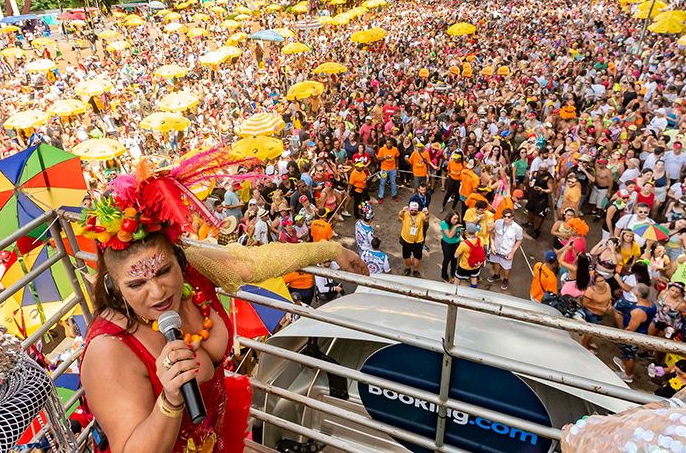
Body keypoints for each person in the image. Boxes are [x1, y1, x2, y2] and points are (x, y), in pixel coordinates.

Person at [80, 149, 366, 453]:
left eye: (164, 271)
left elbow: (254, 263)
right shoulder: (109, 351)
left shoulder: (194, 269)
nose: (157, 291)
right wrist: (171, 399)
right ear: (114, 285)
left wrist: (331, 250)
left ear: (180, 258)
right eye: (136, 284)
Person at [611, 283, 657, 383]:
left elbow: (631, 328)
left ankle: (628, 375)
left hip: (633, 336)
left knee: (629, 355)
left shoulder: (638, 311)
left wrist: (622, 335)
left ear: (637, 294)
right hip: (641, 332)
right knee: (626, 354)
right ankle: (624, 365)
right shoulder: (652, 304)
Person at [488, 208, 525, 290]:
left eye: (508, 217)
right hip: (497, 248)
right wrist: (492, 245)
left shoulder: (517, 228)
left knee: (506, 267)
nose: (506, 218)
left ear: (512, 217)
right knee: (496, 262)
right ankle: (496, 275)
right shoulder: (497, 222)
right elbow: (491, 233)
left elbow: (519, 240)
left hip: (507, 251)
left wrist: (512, 252)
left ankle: (505, 279)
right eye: (504, 216)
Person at [453, 223, 487, 288]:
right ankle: (473, 291)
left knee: (457, 278)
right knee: (474, 278)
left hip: (464, 266)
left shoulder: (463, 244)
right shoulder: (481, 240)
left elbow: (455, 256)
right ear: (475, 231)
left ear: (466, 232)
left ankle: (454, 291)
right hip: (476, 265)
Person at [398, 201, 426, 277]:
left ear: (418, 210)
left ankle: (415, 271)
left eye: (415, 210)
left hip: (418, 241)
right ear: (409, 209)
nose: (413, 211)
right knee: (406, 256)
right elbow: (400, 215)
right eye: (412, 210)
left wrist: (427, 213)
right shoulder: (406, 214)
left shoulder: (421, 214)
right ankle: (408, 268)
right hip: (406, 240)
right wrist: (403, 210)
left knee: (417, 257)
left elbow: (426, 218)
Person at [439, 212, 463, 282]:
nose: (456, 220)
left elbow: (458, 235)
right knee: (447, 260)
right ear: (449, 218)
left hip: (456, 244)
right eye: (454, 219)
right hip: (447, 244)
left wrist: (462, 240)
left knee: (455, 260)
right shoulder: (444, 223)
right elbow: (449, 235)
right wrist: (455, 227)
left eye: (457, 219)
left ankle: (453, 274)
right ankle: (444, 275)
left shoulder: (458, 224)